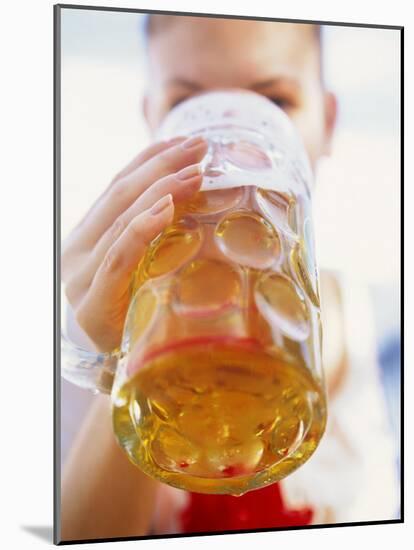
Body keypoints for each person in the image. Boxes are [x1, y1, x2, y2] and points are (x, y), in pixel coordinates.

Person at [60, 15, 399, 541]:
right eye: (183, 104)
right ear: (152, 120)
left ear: (327, 122)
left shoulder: (365, 313)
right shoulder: (89, 323)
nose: (231, 143)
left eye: (276, 103)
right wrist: (109, 360)